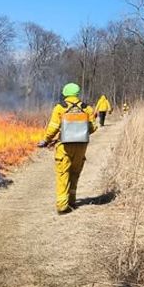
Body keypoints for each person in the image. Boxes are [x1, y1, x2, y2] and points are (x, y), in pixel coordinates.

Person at [37, 83, 97, 214]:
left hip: (64, 147)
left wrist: (46, 140)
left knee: (63, 174)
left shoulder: (60, 108)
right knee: (75, 173)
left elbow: (53, 127)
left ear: (65, 93)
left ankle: (62, 206)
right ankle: (72, 201)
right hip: (81, 146)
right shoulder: (87, 108)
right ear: (77, 94)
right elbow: (93, 128)